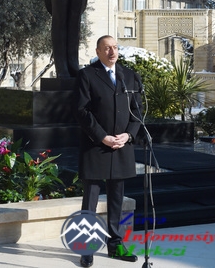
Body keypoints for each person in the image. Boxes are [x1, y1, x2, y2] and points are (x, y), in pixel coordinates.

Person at [73, 35, 143, 267]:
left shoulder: (129, 76)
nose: (112, 52)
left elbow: (137, 112)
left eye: (115, 47)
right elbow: (82, 111)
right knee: (91, 198)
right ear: (98, 51)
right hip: (96, 146)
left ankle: (115, 245)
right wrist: (102, 136)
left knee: (116, 198)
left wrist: (129, 135)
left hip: (121, 146)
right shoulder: (87, 75)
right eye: (107, 48)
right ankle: (87, 247)